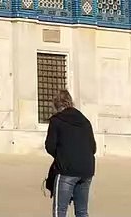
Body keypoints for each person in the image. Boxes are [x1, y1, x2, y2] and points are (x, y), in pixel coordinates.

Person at [45, 89, 96, 217]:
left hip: (67, 170)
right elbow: (93, 148)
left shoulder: (56, 120)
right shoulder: (85, 120)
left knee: (60, 211)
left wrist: (63, 156)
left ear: (56, 105)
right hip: (87, 170)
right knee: (82, 212)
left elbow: (50, 146)